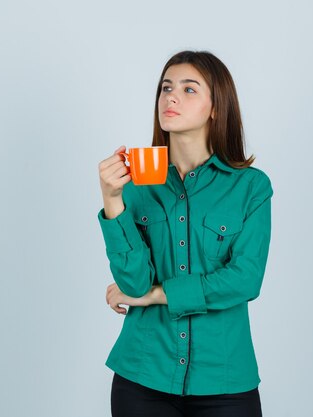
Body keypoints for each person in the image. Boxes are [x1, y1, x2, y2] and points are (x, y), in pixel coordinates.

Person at [97, 50, 273, 417]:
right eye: (165, 87)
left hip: (225, 382)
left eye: (189, 89)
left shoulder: (251, 188)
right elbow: (133, 282)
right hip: (142, 378)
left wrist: (157, 296)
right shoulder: (136, 186)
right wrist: (112, 200)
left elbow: (245, 280)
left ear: (215, 107)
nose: (171, 97)